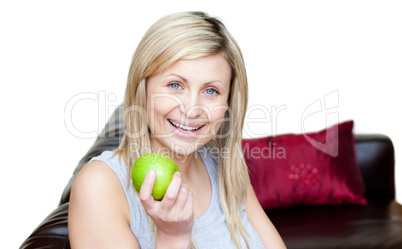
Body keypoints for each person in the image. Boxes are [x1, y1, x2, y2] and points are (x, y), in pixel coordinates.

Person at [68, 11, 286, 249]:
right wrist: (173, 237)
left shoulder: (224, 165)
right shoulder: (100, 185)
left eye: (211, 90)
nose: (192, 109)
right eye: (175, 85)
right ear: (143, 88)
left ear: (229, 102)